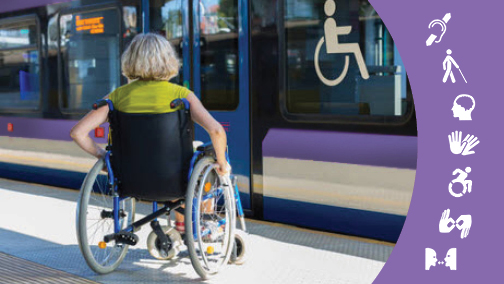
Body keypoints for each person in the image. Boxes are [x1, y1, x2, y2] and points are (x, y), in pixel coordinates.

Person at [70, 33, 229, 233]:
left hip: (130, 183)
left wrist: (104, 157)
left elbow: (78, 133)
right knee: (211, 155)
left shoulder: (117, 96)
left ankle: (180, 224)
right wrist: (222, 163)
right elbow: (216, 131)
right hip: (175, 182)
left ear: (131, 61)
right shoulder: (181, 95)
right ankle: (200, 224)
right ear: (168, 60)